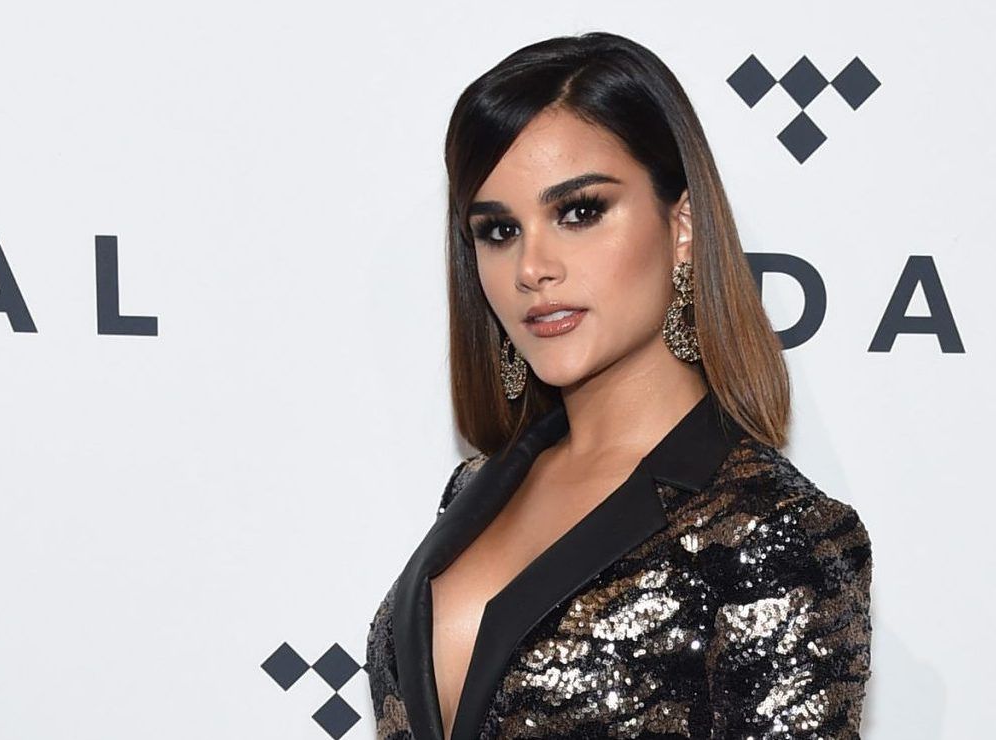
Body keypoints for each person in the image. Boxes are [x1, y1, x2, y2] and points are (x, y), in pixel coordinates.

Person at [365, 31, 872, 740]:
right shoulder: (478, 487)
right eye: (500, 230)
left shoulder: (777, 533)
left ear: (682, 225)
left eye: (579, 212)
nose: (532, 267)